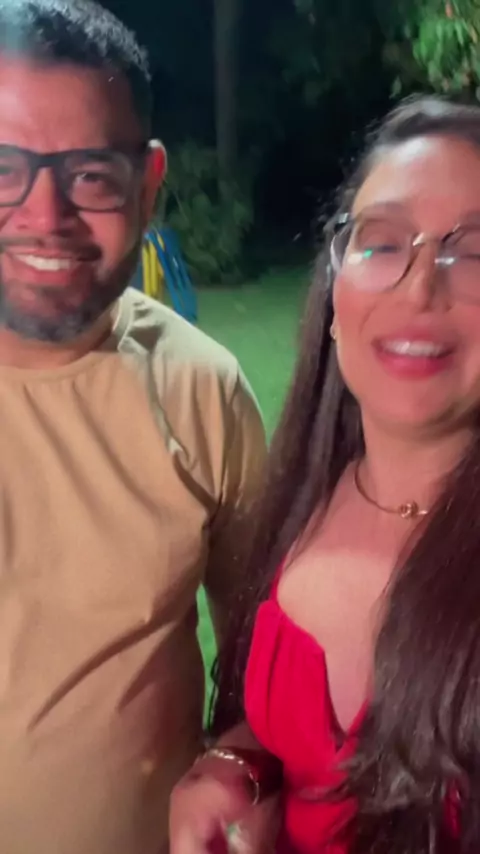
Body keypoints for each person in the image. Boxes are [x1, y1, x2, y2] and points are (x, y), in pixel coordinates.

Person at [170, 95, 480, 854]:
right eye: (383, 242)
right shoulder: (307, 491)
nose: (419, 287)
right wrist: (236, 766)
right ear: (336, 296)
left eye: (474, 253)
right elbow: (290, 738)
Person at [0, 2, 266, 853]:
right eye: (3, 167)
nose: (46, 215)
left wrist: (240, 760)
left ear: (147, 185)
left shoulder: (199, 391)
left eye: (90, 175)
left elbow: (268, 655)